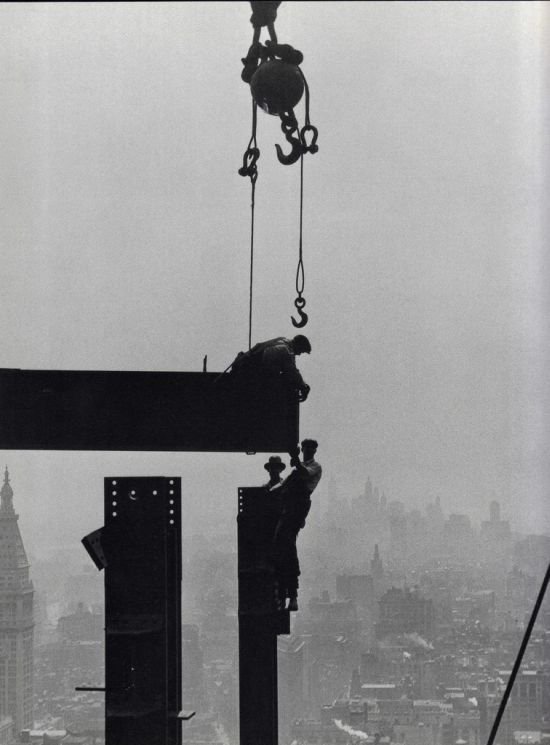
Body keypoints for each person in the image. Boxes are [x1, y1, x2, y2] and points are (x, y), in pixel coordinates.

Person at [271, 438, 322, 611]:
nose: (306, 451)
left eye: (309, 448)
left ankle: (290, 594)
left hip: (296, 507)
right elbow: (282, 485)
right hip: (289, 508)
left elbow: (304, 474)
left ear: (314, 451)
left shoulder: (315, 467)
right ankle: (288, 594)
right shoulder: (297, 468)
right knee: (283, 547)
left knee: (285, 545)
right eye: (305, 448)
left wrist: (295, 460)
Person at [231, 335, 311, 401]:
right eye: (301, 351)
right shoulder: (285, 351)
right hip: (248, 373)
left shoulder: (281, 340)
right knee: (286, 382)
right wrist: (303, 387)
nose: (299, 354)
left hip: (241, 363)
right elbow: (292, 372)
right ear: (298, 345)